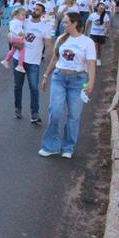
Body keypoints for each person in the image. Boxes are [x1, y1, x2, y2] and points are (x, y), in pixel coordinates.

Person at [39, 12, 96, 158]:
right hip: (59, 78)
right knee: (56, 112)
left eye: (65, 22)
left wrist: (91, 81)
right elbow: (55, 58)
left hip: (77, 80)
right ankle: (51, 145)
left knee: (74, 115)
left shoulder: (87, 42)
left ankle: (68, 146)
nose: (62, 25)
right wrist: (46, 76)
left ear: (74, 24)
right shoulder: (61, 39)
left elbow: (91, 63)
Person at [13, 3, 53, 123]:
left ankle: (34, 113)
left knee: (34, 87)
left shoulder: (46, 27)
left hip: (34, 62)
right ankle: (18, 109)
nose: (34, 11)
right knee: (17, 86)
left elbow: (48, 44)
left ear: (43, 13)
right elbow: (12, 33)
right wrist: (14, 43)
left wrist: (47, 57)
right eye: (34, 9)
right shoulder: (23, 22)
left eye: (38, 10)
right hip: (18, 59)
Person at [1, 7, 28, 72]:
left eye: (25, 15)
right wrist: (20, 33)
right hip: (17, 38)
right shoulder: (14, 21)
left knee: (13, 50)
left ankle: (6, 60)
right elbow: (12, 29)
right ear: (17, 15)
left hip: (15, 38)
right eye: (23, 15)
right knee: (22, 51)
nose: (24, 16)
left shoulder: (20, 21)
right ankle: (20, 65)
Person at [88, 2, 110, 67]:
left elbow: (108, 24)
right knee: (94, 46)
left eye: (103, 7)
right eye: (100, 7)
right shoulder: (93, 15)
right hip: (93, 34)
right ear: (97, 8)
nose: (101, 8)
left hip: (101, 34)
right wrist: (85, 30)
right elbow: (88, 22)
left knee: (99, 47)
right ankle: (93, 59)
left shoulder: (105, 16)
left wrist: (106, 30)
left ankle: (98, 59)